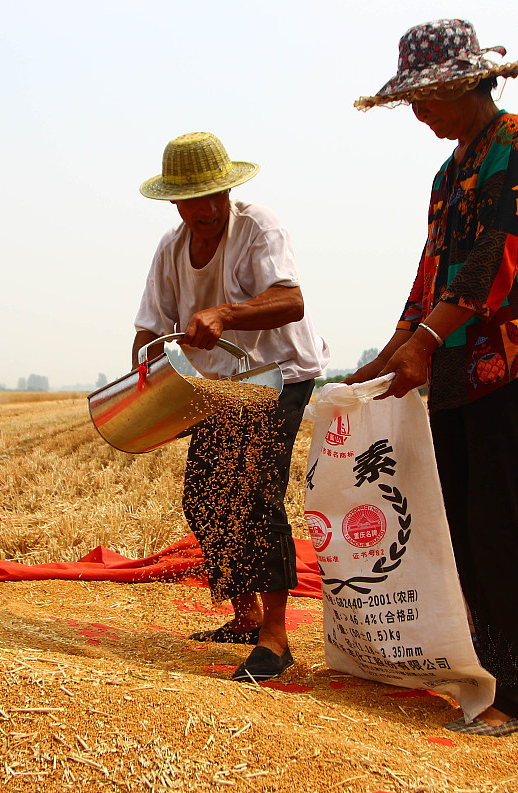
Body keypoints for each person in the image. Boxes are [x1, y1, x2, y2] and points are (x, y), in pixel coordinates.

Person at [348, 19, 518, 736]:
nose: (418, 114)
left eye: (425, 98)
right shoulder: (450, 172)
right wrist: (389, 354)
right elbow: (432, 271)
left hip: (509, 359)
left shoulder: (517, 143)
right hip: (456, 373)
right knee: (465, 530)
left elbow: (493, 262)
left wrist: (425, 342)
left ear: (464, 83)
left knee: (500, 525)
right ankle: (487, 670)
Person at [134, 131, 329, 682]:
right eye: (193, 200)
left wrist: (225, 314)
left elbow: (290, 301)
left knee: (254, 492)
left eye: (215, 196)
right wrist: (147, 385)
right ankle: (243, 615)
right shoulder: (171, 249)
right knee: (203, 497)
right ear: (175, 201)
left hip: (279, 375)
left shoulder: (258, 228)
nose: (206, 209)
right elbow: (150, 325)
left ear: (229, 192)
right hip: (222, 383)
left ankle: (276, 637)